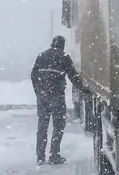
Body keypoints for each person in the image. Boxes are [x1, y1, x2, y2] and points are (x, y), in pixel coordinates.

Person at [30, 35, 86, 165]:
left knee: (42, 126)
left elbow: (33, 76)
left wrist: (38, 92)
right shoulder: (64, 57)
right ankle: (54, 155)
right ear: (62, 45)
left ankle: (40, 156)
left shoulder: (41, 56)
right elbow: (73, 77)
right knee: (58, 126)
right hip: (57, 97)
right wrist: (84, 89)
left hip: (42, 96)